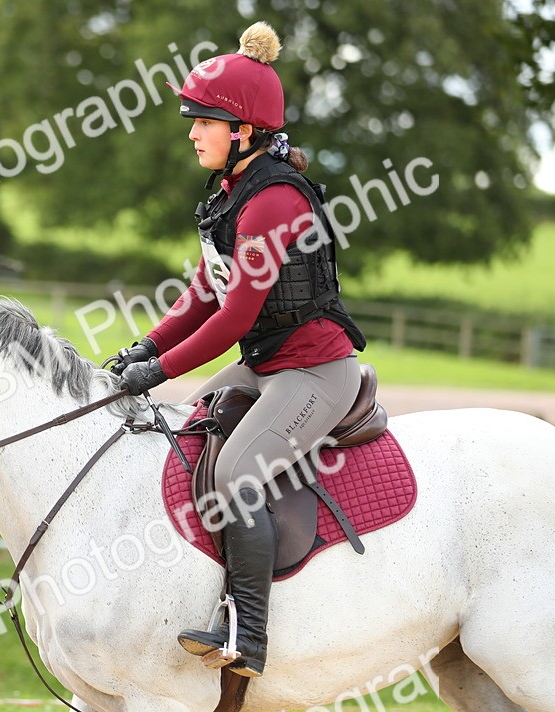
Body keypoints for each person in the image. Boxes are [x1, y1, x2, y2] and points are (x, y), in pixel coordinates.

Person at [114, 21, 367, 678]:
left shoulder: (274, 200)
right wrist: (143, 346)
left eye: (202, 120)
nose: (192, 132)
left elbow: (232, 319)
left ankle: (249, 634)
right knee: (185, 436)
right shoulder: (230, 196)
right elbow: (203, 293)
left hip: (315, 371)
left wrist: (157, 371)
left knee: (235, 474)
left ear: (244, 131)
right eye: (192, 119)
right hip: (267, 365)